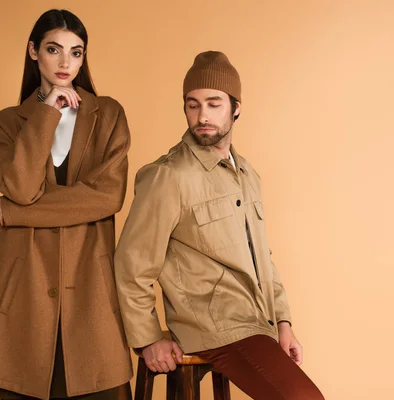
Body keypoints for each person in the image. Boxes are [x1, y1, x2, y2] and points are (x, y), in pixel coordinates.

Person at [114, 51, 324, 400]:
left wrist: (283, 322)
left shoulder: (247, 175)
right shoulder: (168, 176)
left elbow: (262, 258)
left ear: (235, 108)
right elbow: (131, 264)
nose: (202, 116)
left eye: (213, 104)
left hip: (255, 323)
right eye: (193, 105)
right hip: (213, 327)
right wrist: (148, 337)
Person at [0, 9, 132, 400]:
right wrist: (47, 112)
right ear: (33, 51)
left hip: (92, 290)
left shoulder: (108, 115)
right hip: (25, 291)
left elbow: (106, 198)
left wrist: (15, 213)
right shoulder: (9, 122)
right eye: (54, 49)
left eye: (76, 52)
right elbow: (22, 187)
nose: (65, 62)